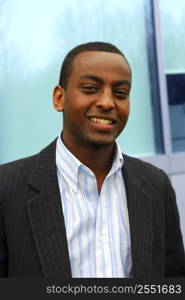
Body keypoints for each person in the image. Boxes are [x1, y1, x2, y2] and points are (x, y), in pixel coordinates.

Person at [0, 42, 185, 278]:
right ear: (59, 98)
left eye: (120, 93)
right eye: (90, 88)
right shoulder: (7, 188)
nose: (108, 103)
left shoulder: (155, 185)